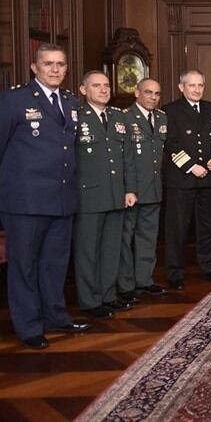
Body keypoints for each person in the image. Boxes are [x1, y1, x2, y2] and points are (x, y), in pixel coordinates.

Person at [0, 43, 91, 349]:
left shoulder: (70, 101)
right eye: (48, 64)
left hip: (61, 197)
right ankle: (28, 327)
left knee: (54, 263)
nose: (55, 69)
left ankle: (56, 316)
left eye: (60, 64)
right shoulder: (14, 100)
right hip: (24, 201)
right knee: (24, 265)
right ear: (34, 67)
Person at [73, 71, 137, 320]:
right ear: (83, 89)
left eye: (107, 86)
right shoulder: (77, 117)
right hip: (88, 195)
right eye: (96, 86)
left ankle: (108, 295)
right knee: (88, 250)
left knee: (112, 249)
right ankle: (90, 301)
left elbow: (128, 157)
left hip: (117, 194)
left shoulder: (118, 117)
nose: (103, 90)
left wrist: (130, 188)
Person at [162, 70, 211, 290]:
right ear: (182, 87)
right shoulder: (170, 111)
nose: (197, 89)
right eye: (192, 85)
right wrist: (191, 166)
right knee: (178, 228)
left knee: (208, 227)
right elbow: (170, 144)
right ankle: (175, 273)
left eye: (200, 85)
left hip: (209, 180)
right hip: (182, 181)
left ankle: (209, 267)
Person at [120, 78, 168, 299]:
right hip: (132, 190)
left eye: (157, 93)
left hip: (154, 188)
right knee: (126, 239)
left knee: (148, 237)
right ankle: (126, 285)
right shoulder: (124, 117)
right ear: (136, 93)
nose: (153, 97)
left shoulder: (161, 118)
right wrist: (127, 188)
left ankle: (144, 279)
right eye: (148, 92)